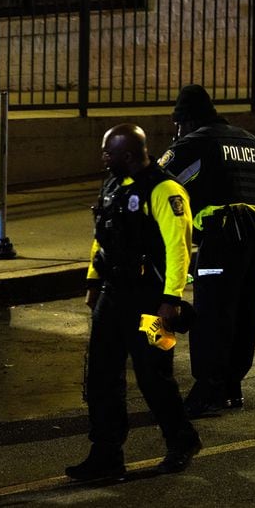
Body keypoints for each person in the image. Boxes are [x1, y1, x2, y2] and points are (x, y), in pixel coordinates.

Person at [66, 123, 201, 481]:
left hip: (152, 303)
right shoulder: (113, 184)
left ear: (127, 154)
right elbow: (103, 237)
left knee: (155, 376)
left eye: (108, 152)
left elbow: (179, 249)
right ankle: (106, 455)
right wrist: (93, 283)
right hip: (113, 298)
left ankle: (182, 441)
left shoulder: (165, 189)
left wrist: (171, 300)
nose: (103, 157)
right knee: (101, 378)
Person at [158, 84, 255, 418]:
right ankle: (232, 387)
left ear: (184, 120)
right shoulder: (251, 143)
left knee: (213, 314)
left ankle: (208, 390)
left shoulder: (194, 144)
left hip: (222, 238)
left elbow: (156, 184)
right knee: (244, 312)